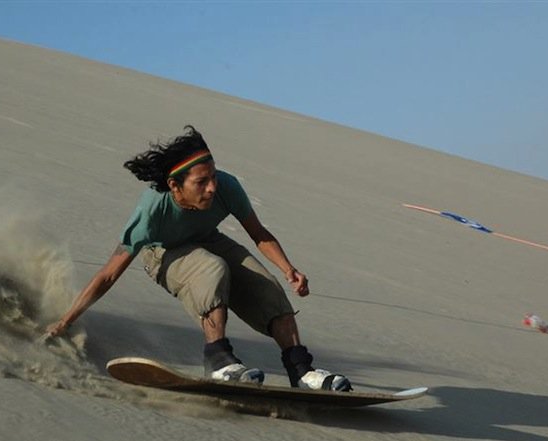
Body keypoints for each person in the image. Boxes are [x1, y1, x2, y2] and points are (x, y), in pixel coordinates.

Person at [45, 126, 351, 391]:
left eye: (214, 177)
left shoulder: (227, 188)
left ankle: (301, 370)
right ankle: (219, 361)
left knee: (267, 286)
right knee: (210, 269)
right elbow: (108, 275)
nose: (212, 187)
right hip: (162, 252)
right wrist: (66, 321)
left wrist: (289, 269)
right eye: (201, 182)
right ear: (175, 186)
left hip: (208, 239)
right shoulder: (152, 211)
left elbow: (259, 233)